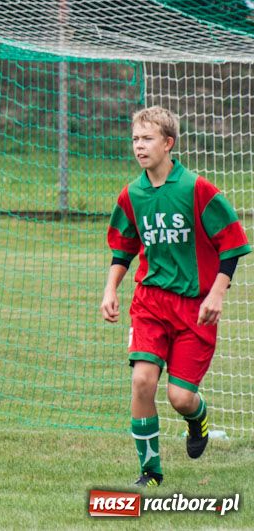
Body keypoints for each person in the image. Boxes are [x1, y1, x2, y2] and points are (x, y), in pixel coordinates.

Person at [100, 106, 249, 488]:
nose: (139, 146)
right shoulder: (131, 194)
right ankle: (150, 471)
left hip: (194, 309)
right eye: (135, 139)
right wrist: (110, 288)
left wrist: (217, 294)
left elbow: (232, 243)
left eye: (147, 138)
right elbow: (124, 248)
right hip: (150, 303)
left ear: (168, 143)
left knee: (180, 397)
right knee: (142, 382)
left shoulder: (197, 189)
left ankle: (196, 418)